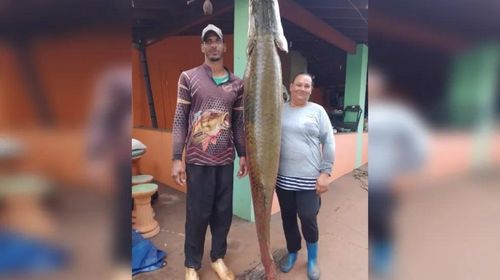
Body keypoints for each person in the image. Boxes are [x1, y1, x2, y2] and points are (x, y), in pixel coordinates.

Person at [171, 24, 248, 280]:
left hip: (225, 159)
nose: (214, 45)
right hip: (197, 160)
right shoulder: (189, 77)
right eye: (209, 41)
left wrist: (243, 154)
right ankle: (191, 264)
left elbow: (238, 123)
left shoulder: (237, 84)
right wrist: (176, 158)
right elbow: (180, 119)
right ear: (202, 46)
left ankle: (217, 258)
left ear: (225, 46)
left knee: (222, 214)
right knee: (197, 214)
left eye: (218, 40)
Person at [277, 73, 335, 280]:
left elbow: (328, 141)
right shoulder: (279, 111)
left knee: (308, 217)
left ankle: (312, 259)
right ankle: (293, 252)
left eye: (307, 86)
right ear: (291, 87)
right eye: (299, 84)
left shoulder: (317, 111)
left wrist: (325, 173)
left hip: (310, 179)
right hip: (283, 179)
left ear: (311, 89)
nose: (302, 88)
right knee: (288, 217)